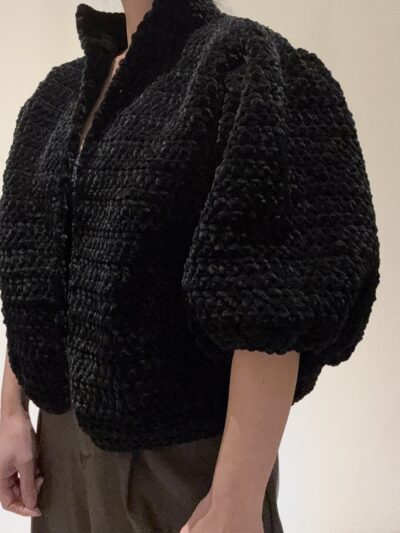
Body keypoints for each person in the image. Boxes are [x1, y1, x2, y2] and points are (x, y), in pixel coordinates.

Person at [0, 1, 380, 532]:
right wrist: (11, 409)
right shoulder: (57, 96)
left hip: (183, 464)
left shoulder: (247, 64)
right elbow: (37, 275)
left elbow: (276, 299)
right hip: (58, 457)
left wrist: (236, 495)